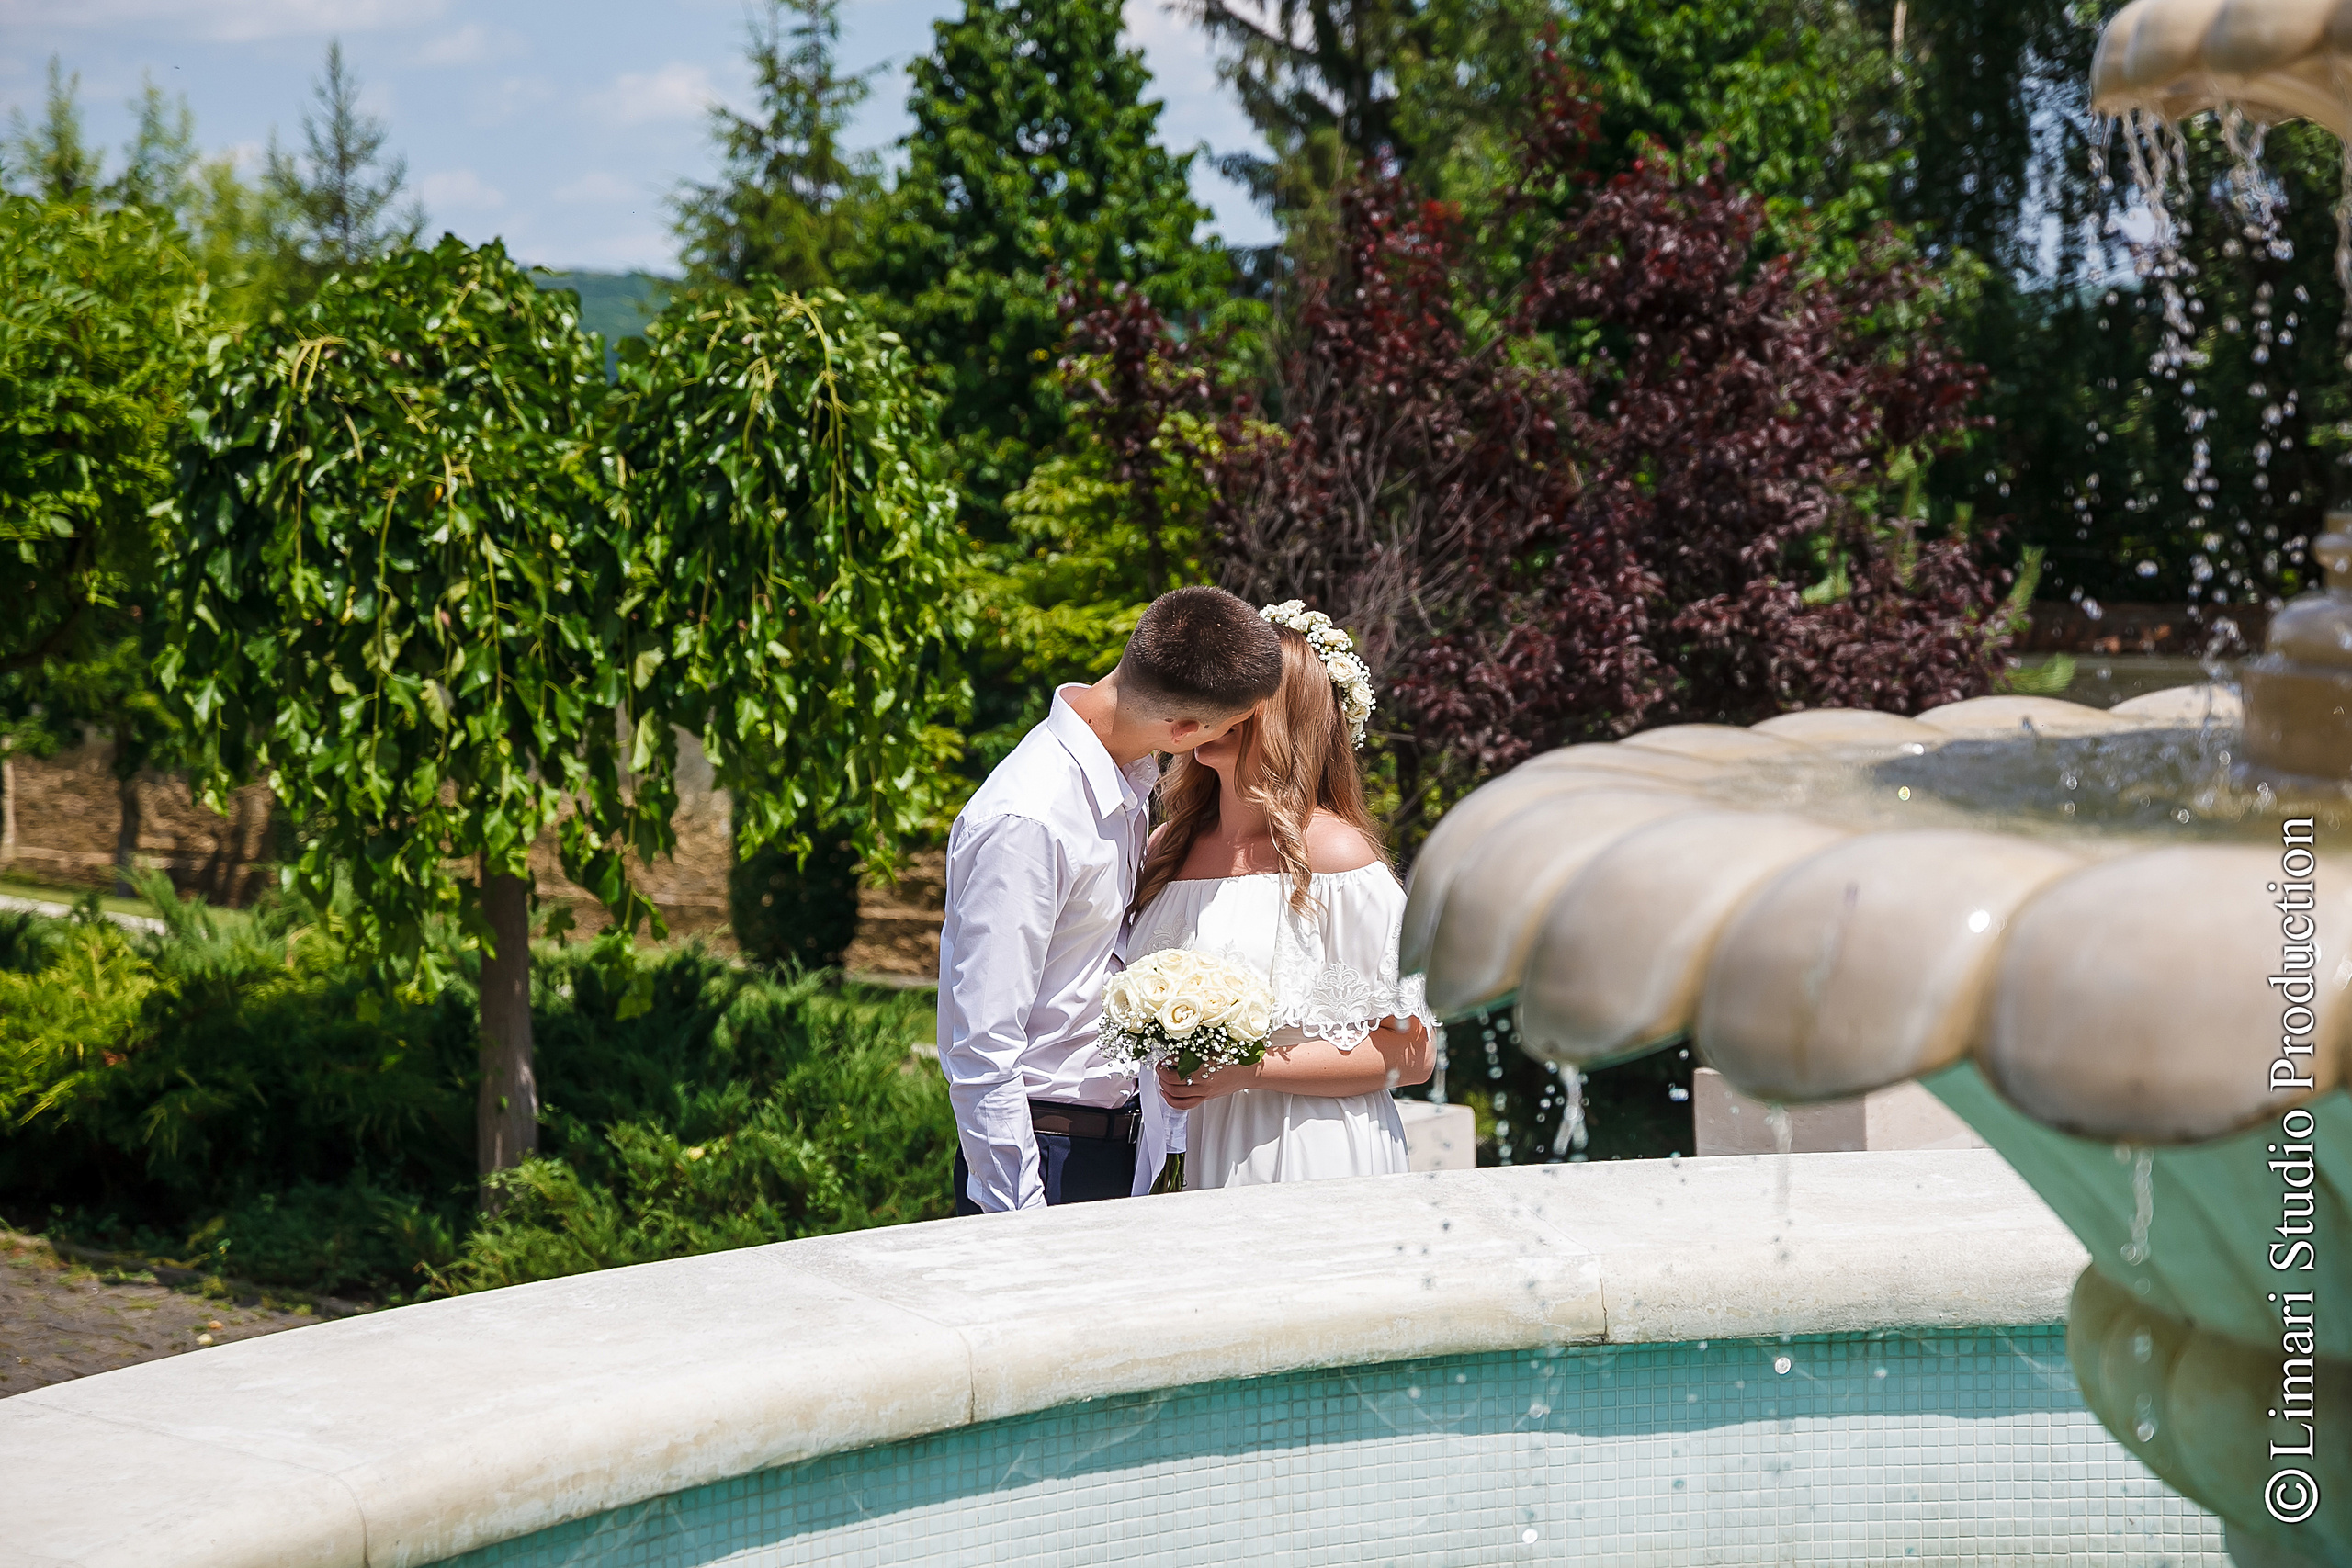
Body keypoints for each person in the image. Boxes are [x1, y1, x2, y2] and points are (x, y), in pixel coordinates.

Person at [938, 586, 1284, 1213]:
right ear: (1184, 728)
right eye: (1225, 729)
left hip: (1112, 1150)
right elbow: (981, 1044)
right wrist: (1021, 1219)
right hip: (1044, 1158)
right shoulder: (1030, 817)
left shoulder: (1124, 781)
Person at [1124, 602, 1435, 1190]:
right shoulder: (1167, 845)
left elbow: (1415, 1055)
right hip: (1191, 1141)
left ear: (1282, 717)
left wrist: (1249, 1069)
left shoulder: (1340, 860)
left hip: (1312, 1149)